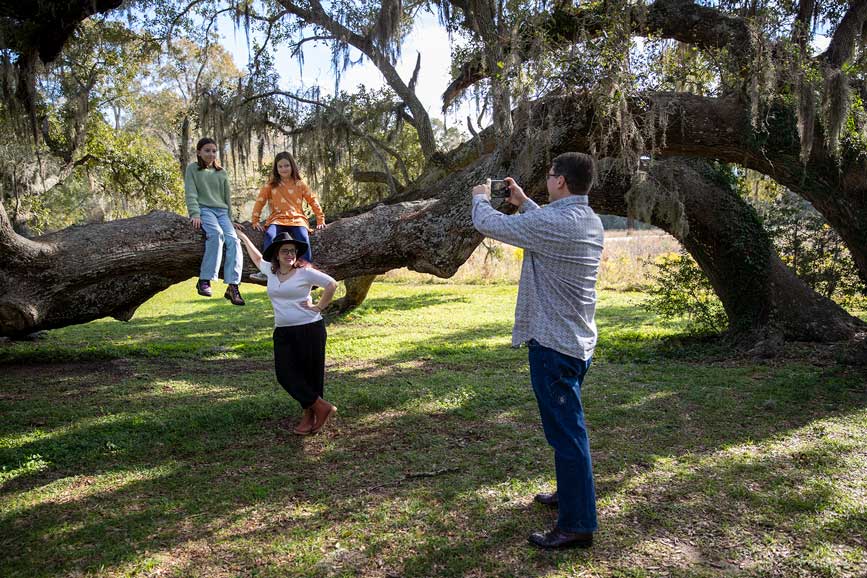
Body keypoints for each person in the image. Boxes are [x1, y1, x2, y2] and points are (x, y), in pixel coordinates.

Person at [471, 152, 604, 550]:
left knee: (567, 435)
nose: (548, 180)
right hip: (576, 342)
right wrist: (524, 202)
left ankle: (577, 524)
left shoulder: (553, 222)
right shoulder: (588, 220)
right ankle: (571, 496)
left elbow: (488, 223)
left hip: (554, 346)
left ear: (561, 181)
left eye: (550, 175)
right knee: (563, 431)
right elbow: (543, 225)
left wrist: (480, 196)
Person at [235, 229, 339, 435]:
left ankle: (310, 416)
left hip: (310, 329)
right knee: (285, 374)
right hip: (283, 331)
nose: (290, 255)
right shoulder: (271, 272)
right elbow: (256, 257)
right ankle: (321, 407)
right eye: (285, 251)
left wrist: (319, 306)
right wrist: (244, 238)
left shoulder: (305, 272)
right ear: (277, 255)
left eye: (292, 251)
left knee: (311, 375)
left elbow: (331, 284)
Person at [185, 137, 245, 306]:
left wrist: (231, 219)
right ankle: (204, 280)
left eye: (213, 151)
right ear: (199, 152)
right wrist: (195, 214)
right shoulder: (192, 169)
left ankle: (233, 286)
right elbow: (190, 193)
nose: (211, 154)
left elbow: (226, 198)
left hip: (222, 212)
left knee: (234, 240)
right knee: (216, 235)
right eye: (207, 150)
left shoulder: (221, 172)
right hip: (205, 210)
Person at [248, 151, 326, 281]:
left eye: (286, 166)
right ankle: (267, 269)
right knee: (269, 235)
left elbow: (312, 200)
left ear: (292, 166)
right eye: (280, 166)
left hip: (297, 219)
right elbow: (260, 202)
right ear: (276, 169)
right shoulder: (270, 185)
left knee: (302, 237)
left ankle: (306, 270)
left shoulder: (300, 184)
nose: (284, 169)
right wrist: (255, 220)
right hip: (277, 218)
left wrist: (320, 219)